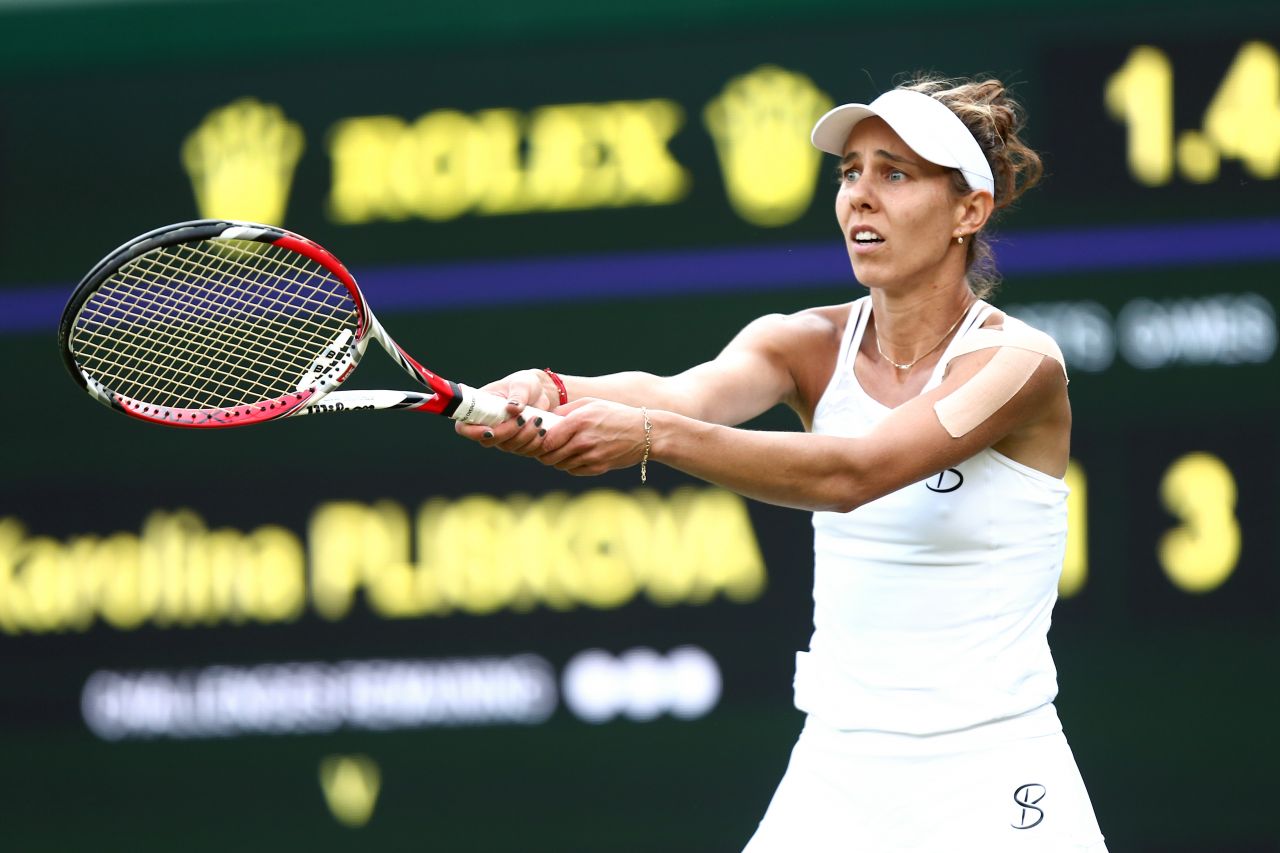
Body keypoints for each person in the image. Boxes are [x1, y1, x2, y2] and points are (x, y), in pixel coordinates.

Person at [456, 74, 1107, 851]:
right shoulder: (801, 342)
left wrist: (651, 436)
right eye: (850, 172)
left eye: (894, 173)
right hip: (835, 772)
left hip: (993, 771)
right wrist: (556, 387)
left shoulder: (1018, 364)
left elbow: (852, 475)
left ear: (969, 210)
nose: (860, 196)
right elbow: (683, 394)